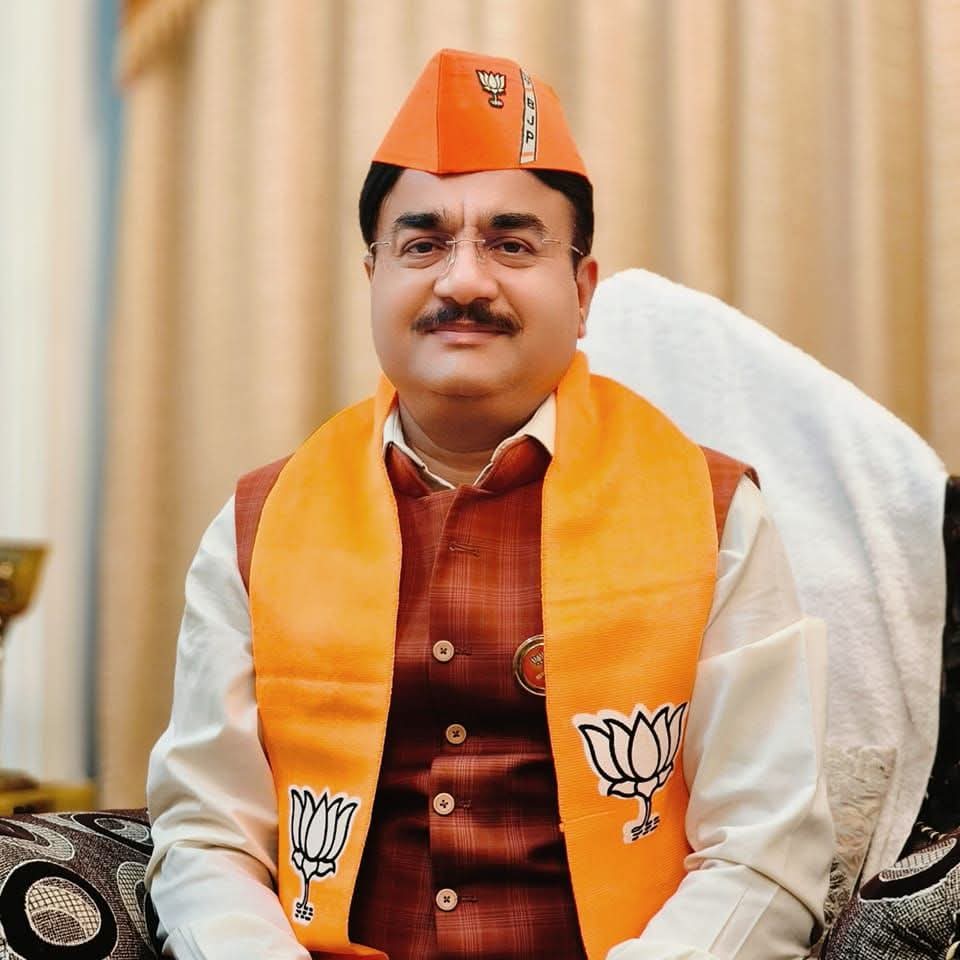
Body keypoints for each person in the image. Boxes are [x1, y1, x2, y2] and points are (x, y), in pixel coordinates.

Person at [146, 48, 833, 960]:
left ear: (581, 292)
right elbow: (207, 836)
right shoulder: (261, 525)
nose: (463, 281)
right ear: (373, 278)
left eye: (512, 244)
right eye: (423, 244)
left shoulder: (713, 516)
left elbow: (764, 853)